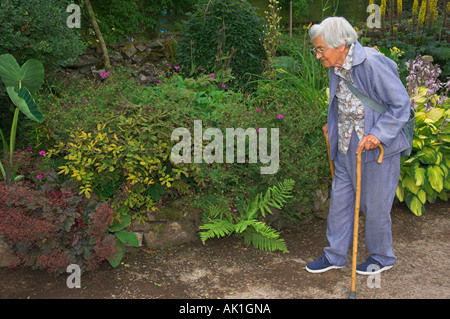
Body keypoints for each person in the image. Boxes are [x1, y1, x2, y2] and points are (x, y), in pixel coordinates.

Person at [305, 17, 411, 275]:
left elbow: (401, 105)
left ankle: (382, 257)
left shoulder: (373, 63)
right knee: (340, 201)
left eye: (321, 49)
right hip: (345, 144)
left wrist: (379, 135)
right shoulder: (335, 67)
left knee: (375, 207)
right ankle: (336, 254)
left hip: (376, 150)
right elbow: (342, 102)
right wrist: (333, 124)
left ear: (341, 45)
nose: (318, 56)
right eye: (316, 50)